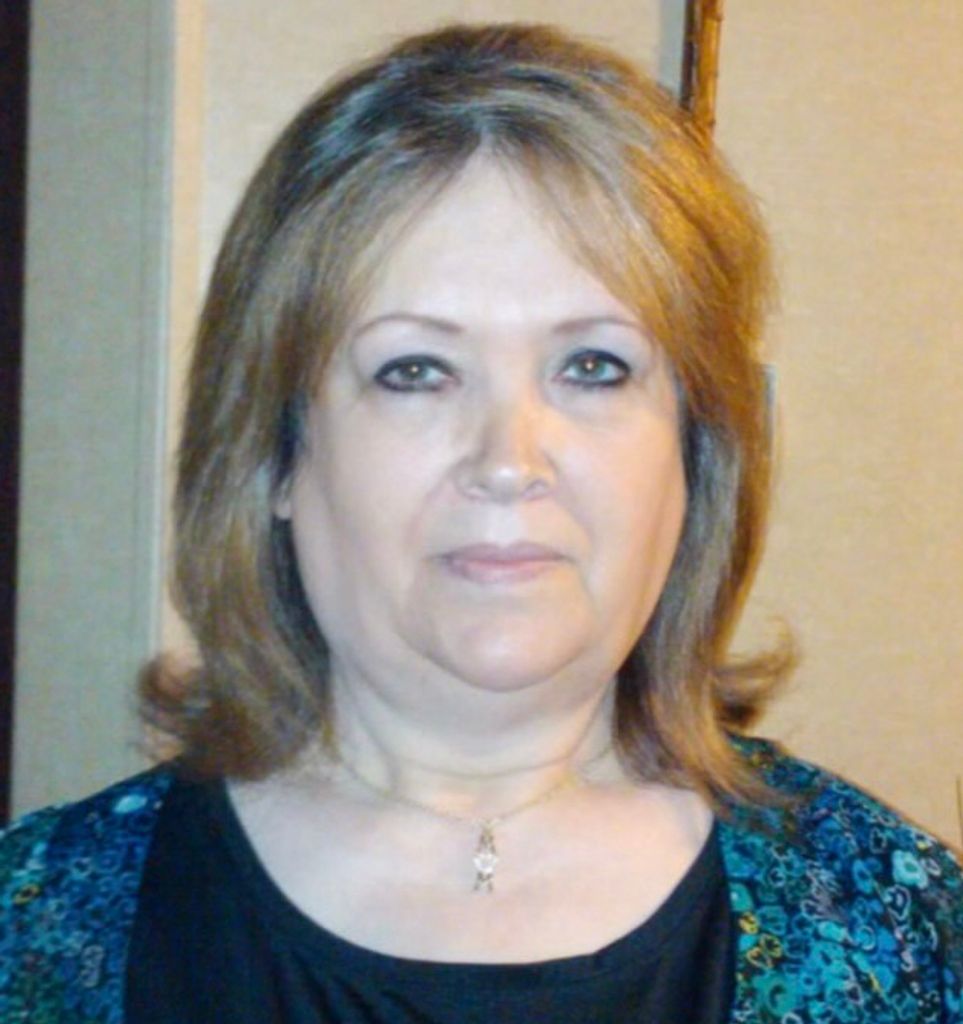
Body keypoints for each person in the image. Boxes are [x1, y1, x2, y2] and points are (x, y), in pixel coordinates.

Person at [1, 22, 961, 1024]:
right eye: (416, 371)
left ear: (693, 454)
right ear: (276, 452)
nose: (509, 460)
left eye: (593, 367)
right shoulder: (32, 933)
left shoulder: (904, 938)